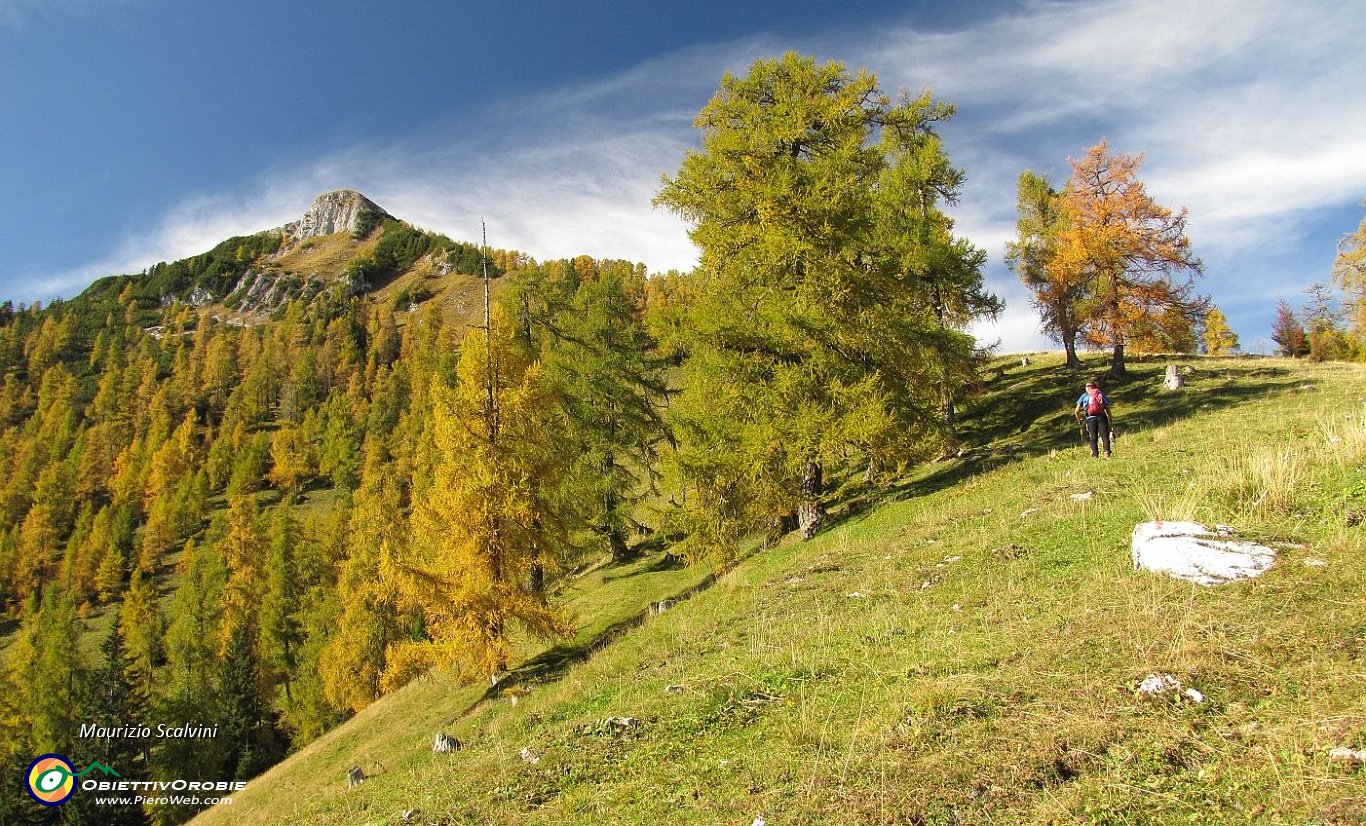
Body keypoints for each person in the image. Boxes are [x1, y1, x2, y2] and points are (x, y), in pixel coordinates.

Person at [1075, 380, 1112, 458]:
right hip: (1102, 416)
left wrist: (1080, 421)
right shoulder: (1100, 394)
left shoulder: (1084, 396)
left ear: (1086, 388)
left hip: (1090, 418)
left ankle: (1095, 455)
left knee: (1093, 437)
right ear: (1095, 387)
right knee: (1104, 435)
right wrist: (1110, 418)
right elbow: (1107, 408)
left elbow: (1076, 411)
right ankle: (1107, 453)